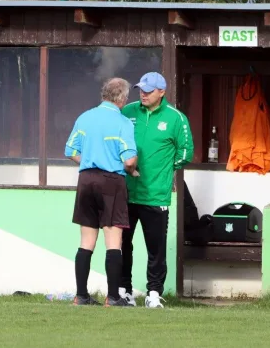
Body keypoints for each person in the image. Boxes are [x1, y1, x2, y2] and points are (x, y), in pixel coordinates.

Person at [119, 72, 193, 308]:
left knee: (156, 248)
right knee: (123, 245)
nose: (143, 94)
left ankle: (153, 293)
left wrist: (164, 170)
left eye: (149, 91)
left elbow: (185, 153)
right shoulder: (127, 111)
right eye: (141, 89)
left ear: (162, 92)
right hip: (126, 192)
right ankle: (124, 292)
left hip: (156, 195)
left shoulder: (175, 118)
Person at [65, 78, 138, 307]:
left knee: (86, 240)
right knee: (113, 240)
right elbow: (129, 160)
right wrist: (133, 170)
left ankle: (81, 296)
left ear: (103, 94)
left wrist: (87, 160)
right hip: (111, 181)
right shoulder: (123, 122)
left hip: (86, 180)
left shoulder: (84, 117)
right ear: (123, 99)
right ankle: (113, 297)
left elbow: (70, 150)